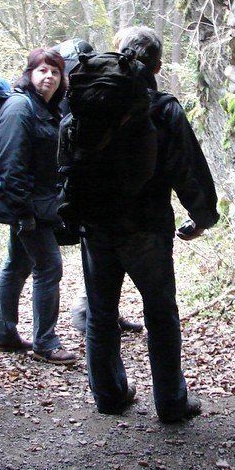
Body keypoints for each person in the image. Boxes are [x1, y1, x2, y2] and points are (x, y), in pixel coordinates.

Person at [75, 26, 219, 422]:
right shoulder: (162, 107)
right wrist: (202, 217)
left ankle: (108, 396)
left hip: (96, 226)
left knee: (101, 312)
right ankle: (171, 403)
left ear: (118, 53)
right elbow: (188, 168)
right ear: (157, 65)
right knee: (160, 312)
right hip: (146, 227)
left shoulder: (89, 99)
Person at [0, 48, 78, 365]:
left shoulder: (46, 109)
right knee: (49, 267)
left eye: (55, 71)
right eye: (42, 70)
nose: (50, 76)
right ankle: (46, 342)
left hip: (40, 205)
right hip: (29, 207)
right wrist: (23, 213)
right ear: (29, 74)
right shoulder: (19, 108)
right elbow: (12, 165)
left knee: (18, 265)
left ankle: (2, 332)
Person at [52, 37, 146, 336]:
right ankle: (87, 310)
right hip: (97, 186)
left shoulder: (76, 91)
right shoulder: (87, 89)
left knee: (98, 257)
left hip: (86, 185)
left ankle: (100, 311)